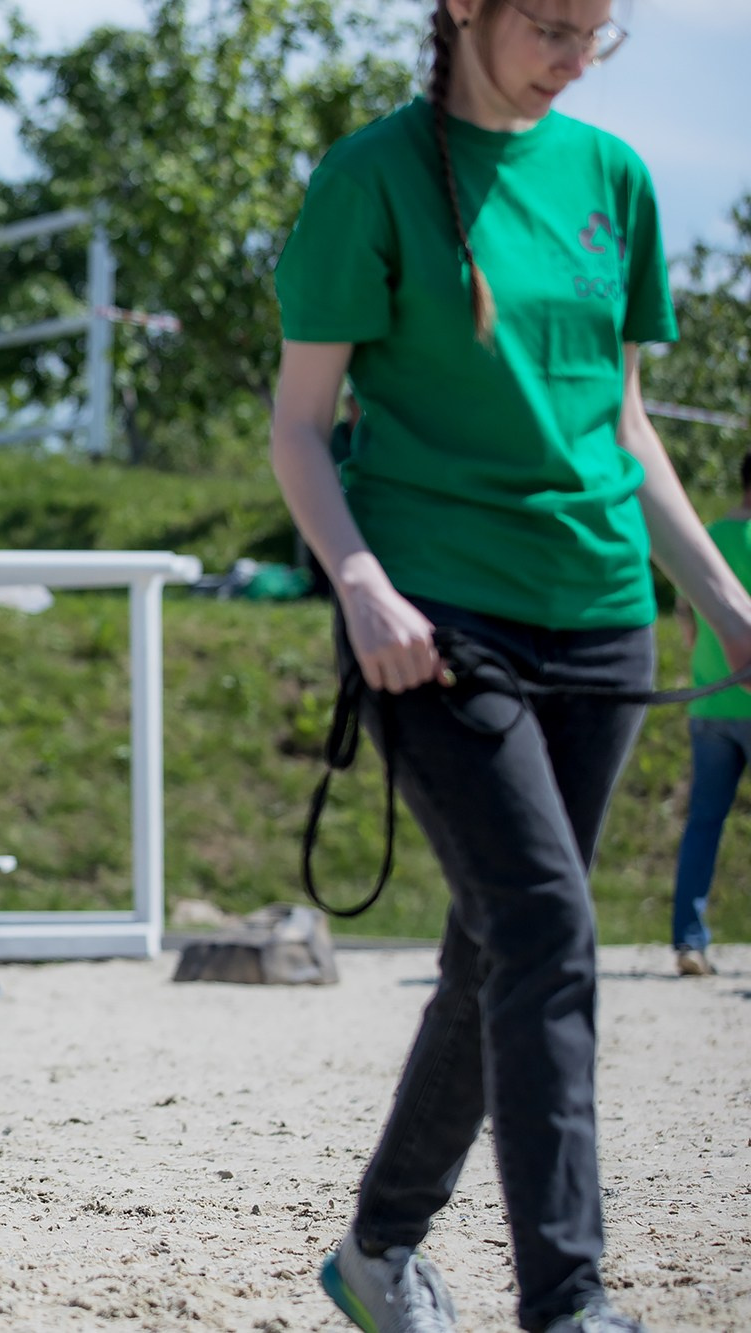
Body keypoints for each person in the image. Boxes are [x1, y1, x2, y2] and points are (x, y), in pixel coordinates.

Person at [268, 5, 751, 1331]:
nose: (574, 55)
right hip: (433, 620)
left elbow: (625, 422)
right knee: (547, 926)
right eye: (549, 23)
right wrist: (360, 581)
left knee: (501, 942)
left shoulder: (615, 179)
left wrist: (722, 596)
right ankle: (571, 1301)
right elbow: (302, 430)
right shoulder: (369, 176)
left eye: (598, 31)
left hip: (601, 612)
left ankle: (376, 1254)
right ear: (466, 7)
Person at [668, 451, 751, 978]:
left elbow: (686, 617)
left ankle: (689, 942)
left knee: (703, 824)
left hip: (708, 701)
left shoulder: (709, 539)